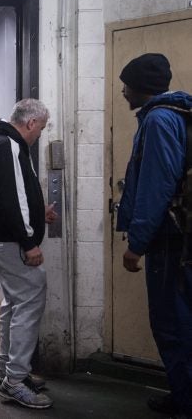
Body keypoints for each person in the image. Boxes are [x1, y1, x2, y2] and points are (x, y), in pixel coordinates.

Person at [116, 53, 192, 418]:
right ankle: (182, 394)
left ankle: (186, 402)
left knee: (172, 325)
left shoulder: (160, 121)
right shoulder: (178, 115)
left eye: (126, 84)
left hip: (169, 243)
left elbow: (156, 188)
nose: (123, 91)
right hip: (180, 239)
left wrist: (137, 244)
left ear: (140, 87)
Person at [0, 98, 58, 409]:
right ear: (31, 123)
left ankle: (6, 372)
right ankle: (14, 382)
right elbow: (11, 199)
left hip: (2, 240)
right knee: (28, 303)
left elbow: (19, 195)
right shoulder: (8, 146)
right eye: (42, 128)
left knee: (13, 304)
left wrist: (39, 212)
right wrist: (29, 241)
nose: (40, 134)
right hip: (12, 242)